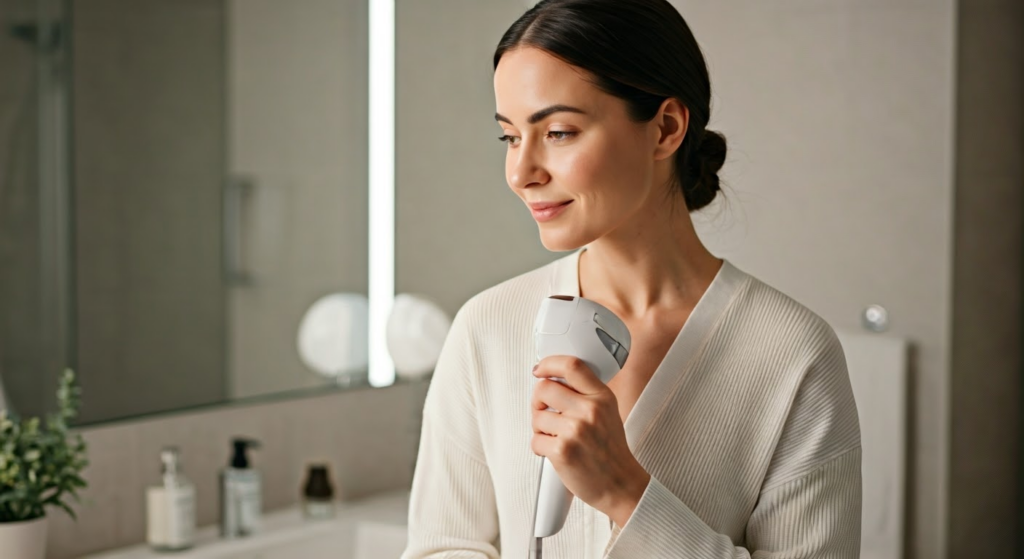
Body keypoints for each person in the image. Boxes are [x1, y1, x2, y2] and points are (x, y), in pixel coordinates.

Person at [401, 1, 861, 557]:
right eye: (510, 137)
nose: (522, 173)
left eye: (560, 132)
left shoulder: (791, 354)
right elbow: (441, 547)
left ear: (665, 128)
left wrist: (625, 491)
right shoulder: (487, 327)